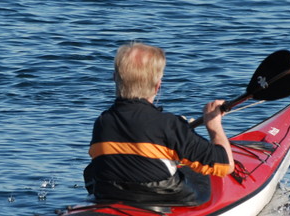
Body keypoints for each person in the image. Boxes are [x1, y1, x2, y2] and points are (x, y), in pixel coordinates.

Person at [84, 42, 235, 206]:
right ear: (158, 86)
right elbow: (225, 165)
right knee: (195, 171)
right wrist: (213, 125)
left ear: (115, 78)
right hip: (165, 200)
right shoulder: (169, 124)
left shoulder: (102, 122)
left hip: (110, 195)